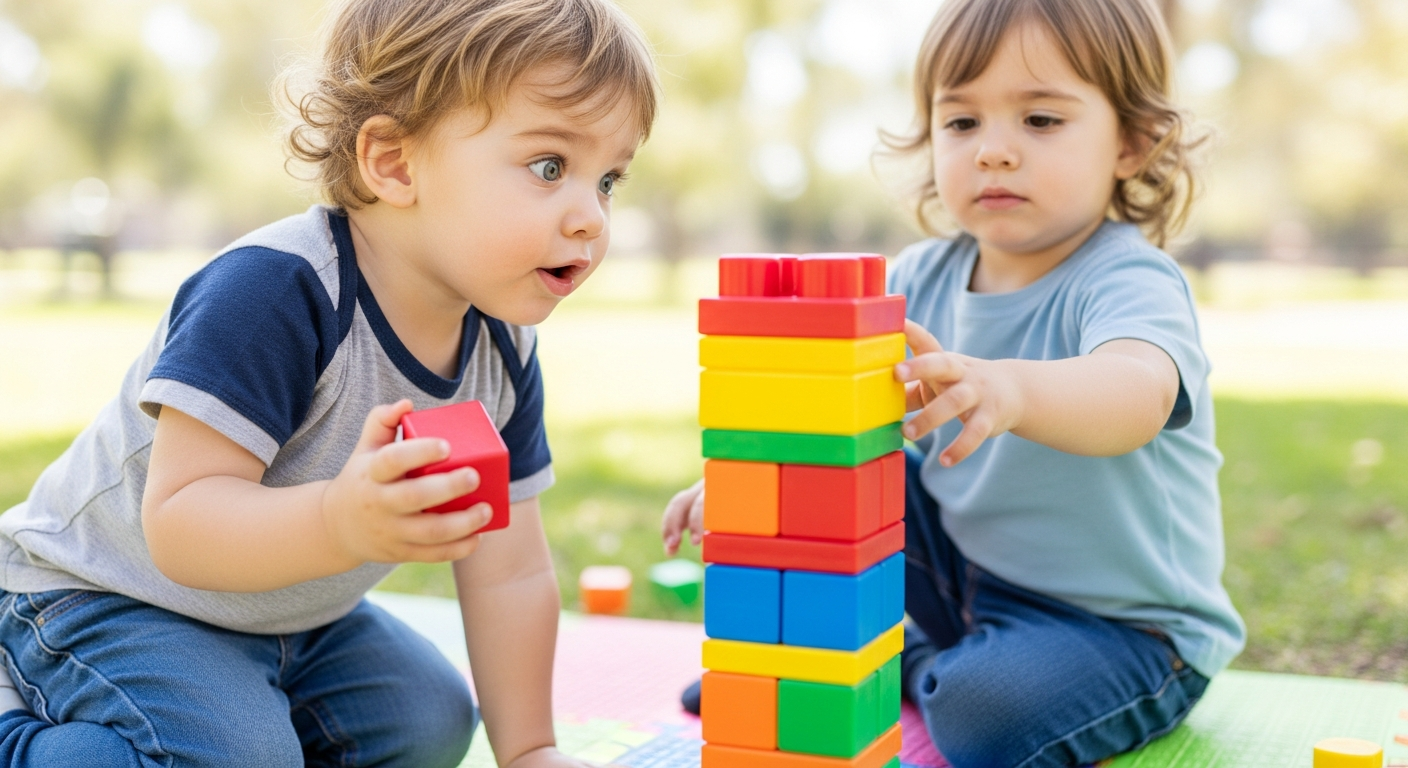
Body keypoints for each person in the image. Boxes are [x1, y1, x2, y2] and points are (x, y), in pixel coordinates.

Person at [0, 0, 656, 764]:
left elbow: (508, 569)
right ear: (394, 162)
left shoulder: (503, 346)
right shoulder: (277, 293)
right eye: (550, 167)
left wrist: (531, 749)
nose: (590, 218)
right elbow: (179, 523)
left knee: (431, 722)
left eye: (608, 179)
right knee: (240, 755)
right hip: (107, 598)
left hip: (288, 616)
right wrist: (340, 524)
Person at [660, 0, 1243, 765]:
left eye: (1040, 120)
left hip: (1119, 628)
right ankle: (808, 668)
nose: (992, 151)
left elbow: (1138, 391)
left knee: (982, 718)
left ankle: (897, 665)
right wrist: (758, 488)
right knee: (849, 479)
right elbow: (839, 426)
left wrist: (1015, 391)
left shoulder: (1128, 277)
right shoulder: (918, 276)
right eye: (961, 122)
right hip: (962, 573)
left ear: (1130, 144)